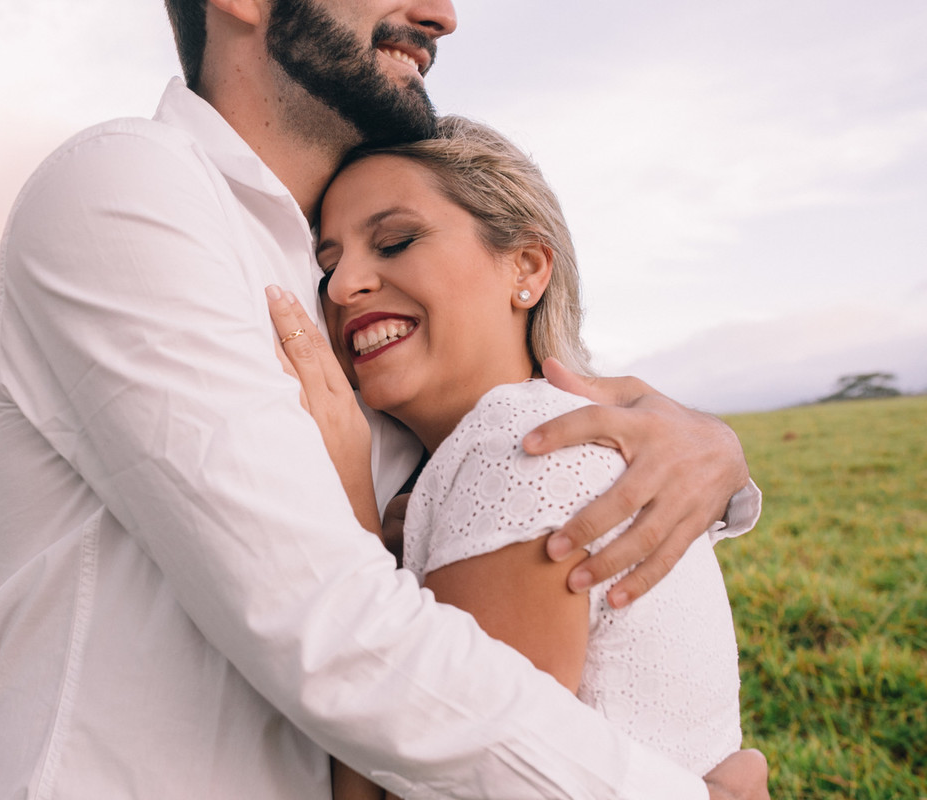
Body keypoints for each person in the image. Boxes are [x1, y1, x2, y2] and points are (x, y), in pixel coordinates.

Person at [0, 1, 767, 797]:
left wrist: (710, 451)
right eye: (333, 261)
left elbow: (517, 462)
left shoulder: (376, 334)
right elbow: (327, 624)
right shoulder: (131, 185)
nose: (442, 15)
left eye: (393, 242)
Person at [267, 116, 745, 800]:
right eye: (327, 266)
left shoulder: (520, 448)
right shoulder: (511, 444)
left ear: (526, 268)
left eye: (395, 241)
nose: (343, 287)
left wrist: (352, 528)